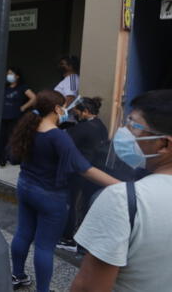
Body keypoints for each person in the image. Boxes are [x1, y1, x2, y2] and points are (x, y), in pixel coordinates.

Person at [8, 90, 119, 292]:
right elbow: (84, 169)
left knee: (23, 233)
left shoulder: (29, 127)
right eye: (65, 106)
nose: (67, 110)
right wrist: (120, 185)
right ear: (57, 109)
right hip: (50, 196)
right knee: (44, 246)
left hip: (25, 187)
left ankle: (17, 276)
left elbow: (14, 157)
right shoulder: (58, 136)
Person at [71, 90, 172, 292]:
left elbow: (88, 288)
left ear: (163, 144)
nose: (123, 131)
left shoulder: (122, 200)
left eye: (133, 125)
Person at [57, 97, 109, 252]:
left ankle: (67, 238)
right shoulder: (100, 125)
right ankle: (80, 238)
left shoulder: (83, 128)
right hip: (94, 170)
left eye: (77, 112)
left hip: (79, 172)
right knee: (83, 205)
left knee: (71, 203)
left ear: (86, 112)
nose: (75, 115)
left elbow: (63, 141)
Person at [0, 67, 37, 166]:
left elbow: (34, 98)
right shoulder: (5, 87)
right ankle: (1, 158)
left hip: (15, 117)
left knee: (13, 137)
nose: (8, 76)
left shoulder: (22, 87)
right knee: (2, 138)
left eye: (11, 74)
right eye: (8, 74)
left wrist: (23, 107)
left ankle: (12, 158)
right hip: (3, 116)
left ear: (17, 76)